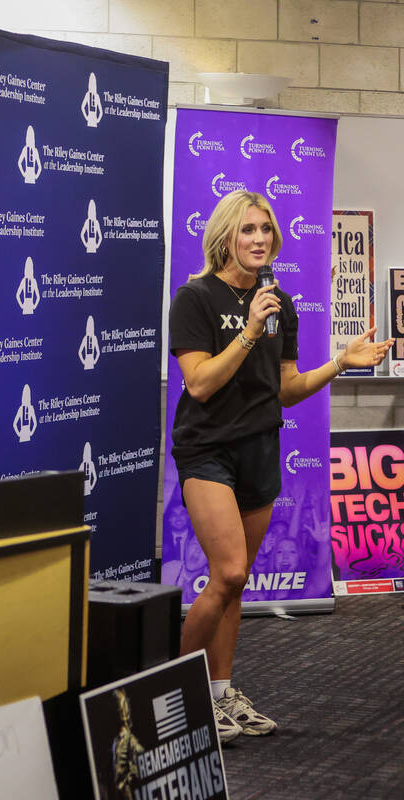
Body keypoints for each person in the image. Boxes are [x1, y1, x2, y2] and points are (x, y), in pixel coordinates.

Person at [168, 190, 391, 743]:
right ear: (225, 236)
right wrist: (245, 331)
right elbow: (198, 383)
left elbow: (286, 390)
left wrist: (340, 362)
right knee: (230, 573)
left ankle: (221, 697)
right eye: (248, 230)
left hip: (260, 448)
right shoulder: (194, 298)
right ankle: (177, 690)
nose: (259, 239)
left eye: (266, 230)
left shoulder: (279, 304)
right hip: (207, 450)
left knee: (236, 588)